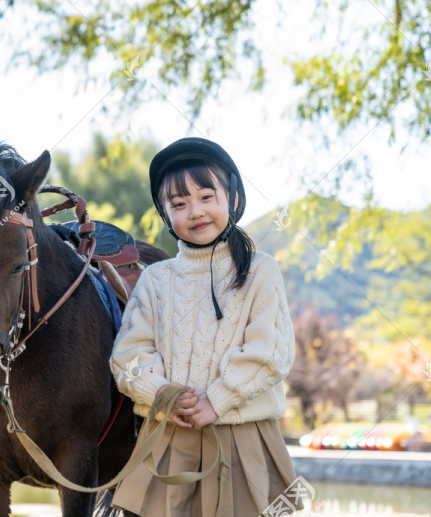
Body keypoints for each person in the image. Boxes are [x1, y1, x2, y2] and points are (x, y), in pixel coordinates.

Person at [109, 137, 300, 517]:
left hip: (242, 439)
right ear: (166, 215)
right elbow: (127, 356)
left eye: (206, 197)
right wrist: (161, 393)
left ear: (232, 198)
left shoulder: (260, 272)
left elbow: (270, 353)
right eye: (179, 204)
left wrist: (216, 401)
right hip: (167, 439)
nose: (195, 211)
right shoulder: (156, 280)